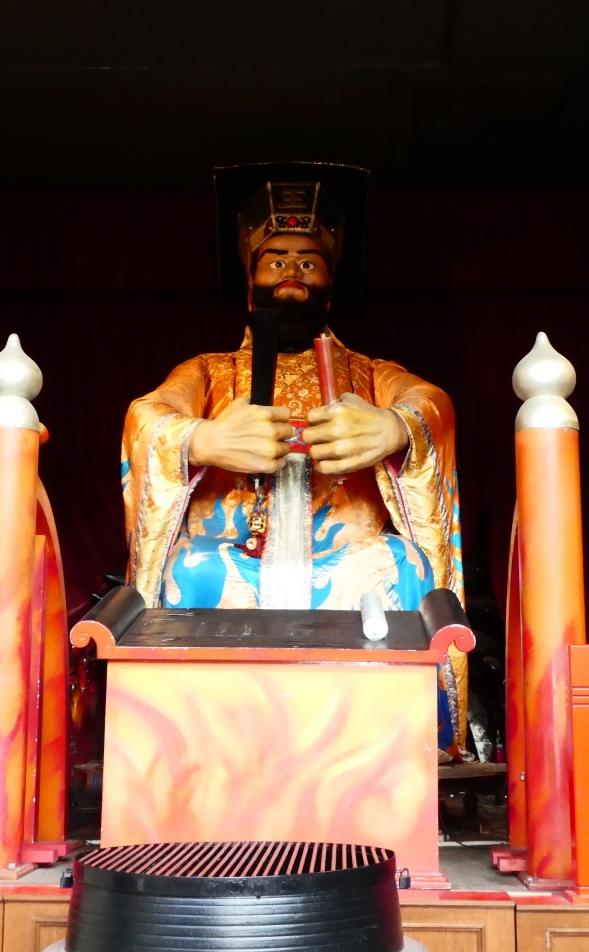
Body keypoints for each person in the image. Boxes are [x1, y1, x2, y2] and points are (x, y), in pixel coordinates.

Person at [120, 166, 468, 755]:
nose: (292, 270)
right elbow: (149, 415)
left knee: (403, 565)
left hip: (348, 562)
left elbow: (429, 402)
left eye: (308, 260)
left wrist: (392, 428)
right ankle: (193, 750)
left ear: (330, 282)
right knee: (188, 568)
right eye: (275, 258)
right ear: (250, 277)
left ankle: (383, 750)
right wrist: (204, 439)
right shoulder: (211, 371)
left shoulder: (368, 373)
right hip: (232, 560)